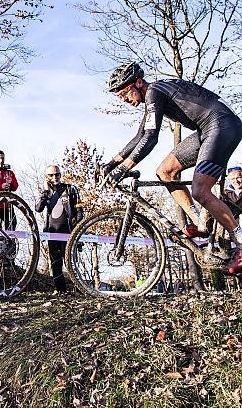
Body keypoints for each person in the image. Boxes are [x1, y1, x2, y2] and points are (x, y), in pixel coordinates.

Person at [102, 62, 242, 275]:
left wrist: (124, 169)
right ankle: (199, 223)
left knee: (200, 191)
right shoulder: (153, 96)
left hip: (222, 125)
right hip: (206, 129)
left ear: (138, 83)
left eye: (124, 93)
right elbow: (140, 136)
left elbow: (151, 138)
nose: (124, 100)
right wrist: (111, 164)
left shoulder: (154, 92)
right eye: (120, 97)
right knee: (165, 171)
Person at [34, 165, 84, 293]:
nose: (55, 177)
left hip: (68, 232)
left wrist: (78, 230)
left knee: (71, 263)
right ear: (47, 177)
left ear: (60, 175)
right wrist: (45, 192)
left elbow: (79, 211)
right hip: (52, 232)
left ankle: (79, 289)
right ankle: (60, 290)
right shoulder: (46, 192)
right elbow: (38, 208)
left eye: (57, 174)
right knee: (55, 263)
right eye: (51, 175)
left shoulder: (70, 188)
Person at [0, 150, 20, 229]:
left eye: (2, 158)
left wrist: (11, 182)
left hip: (8, 204)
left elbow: (15, 187)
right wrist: (0, 186)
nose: (1, 161)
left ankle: (10, 241)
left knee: (12, 226)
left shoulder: (9, 173)